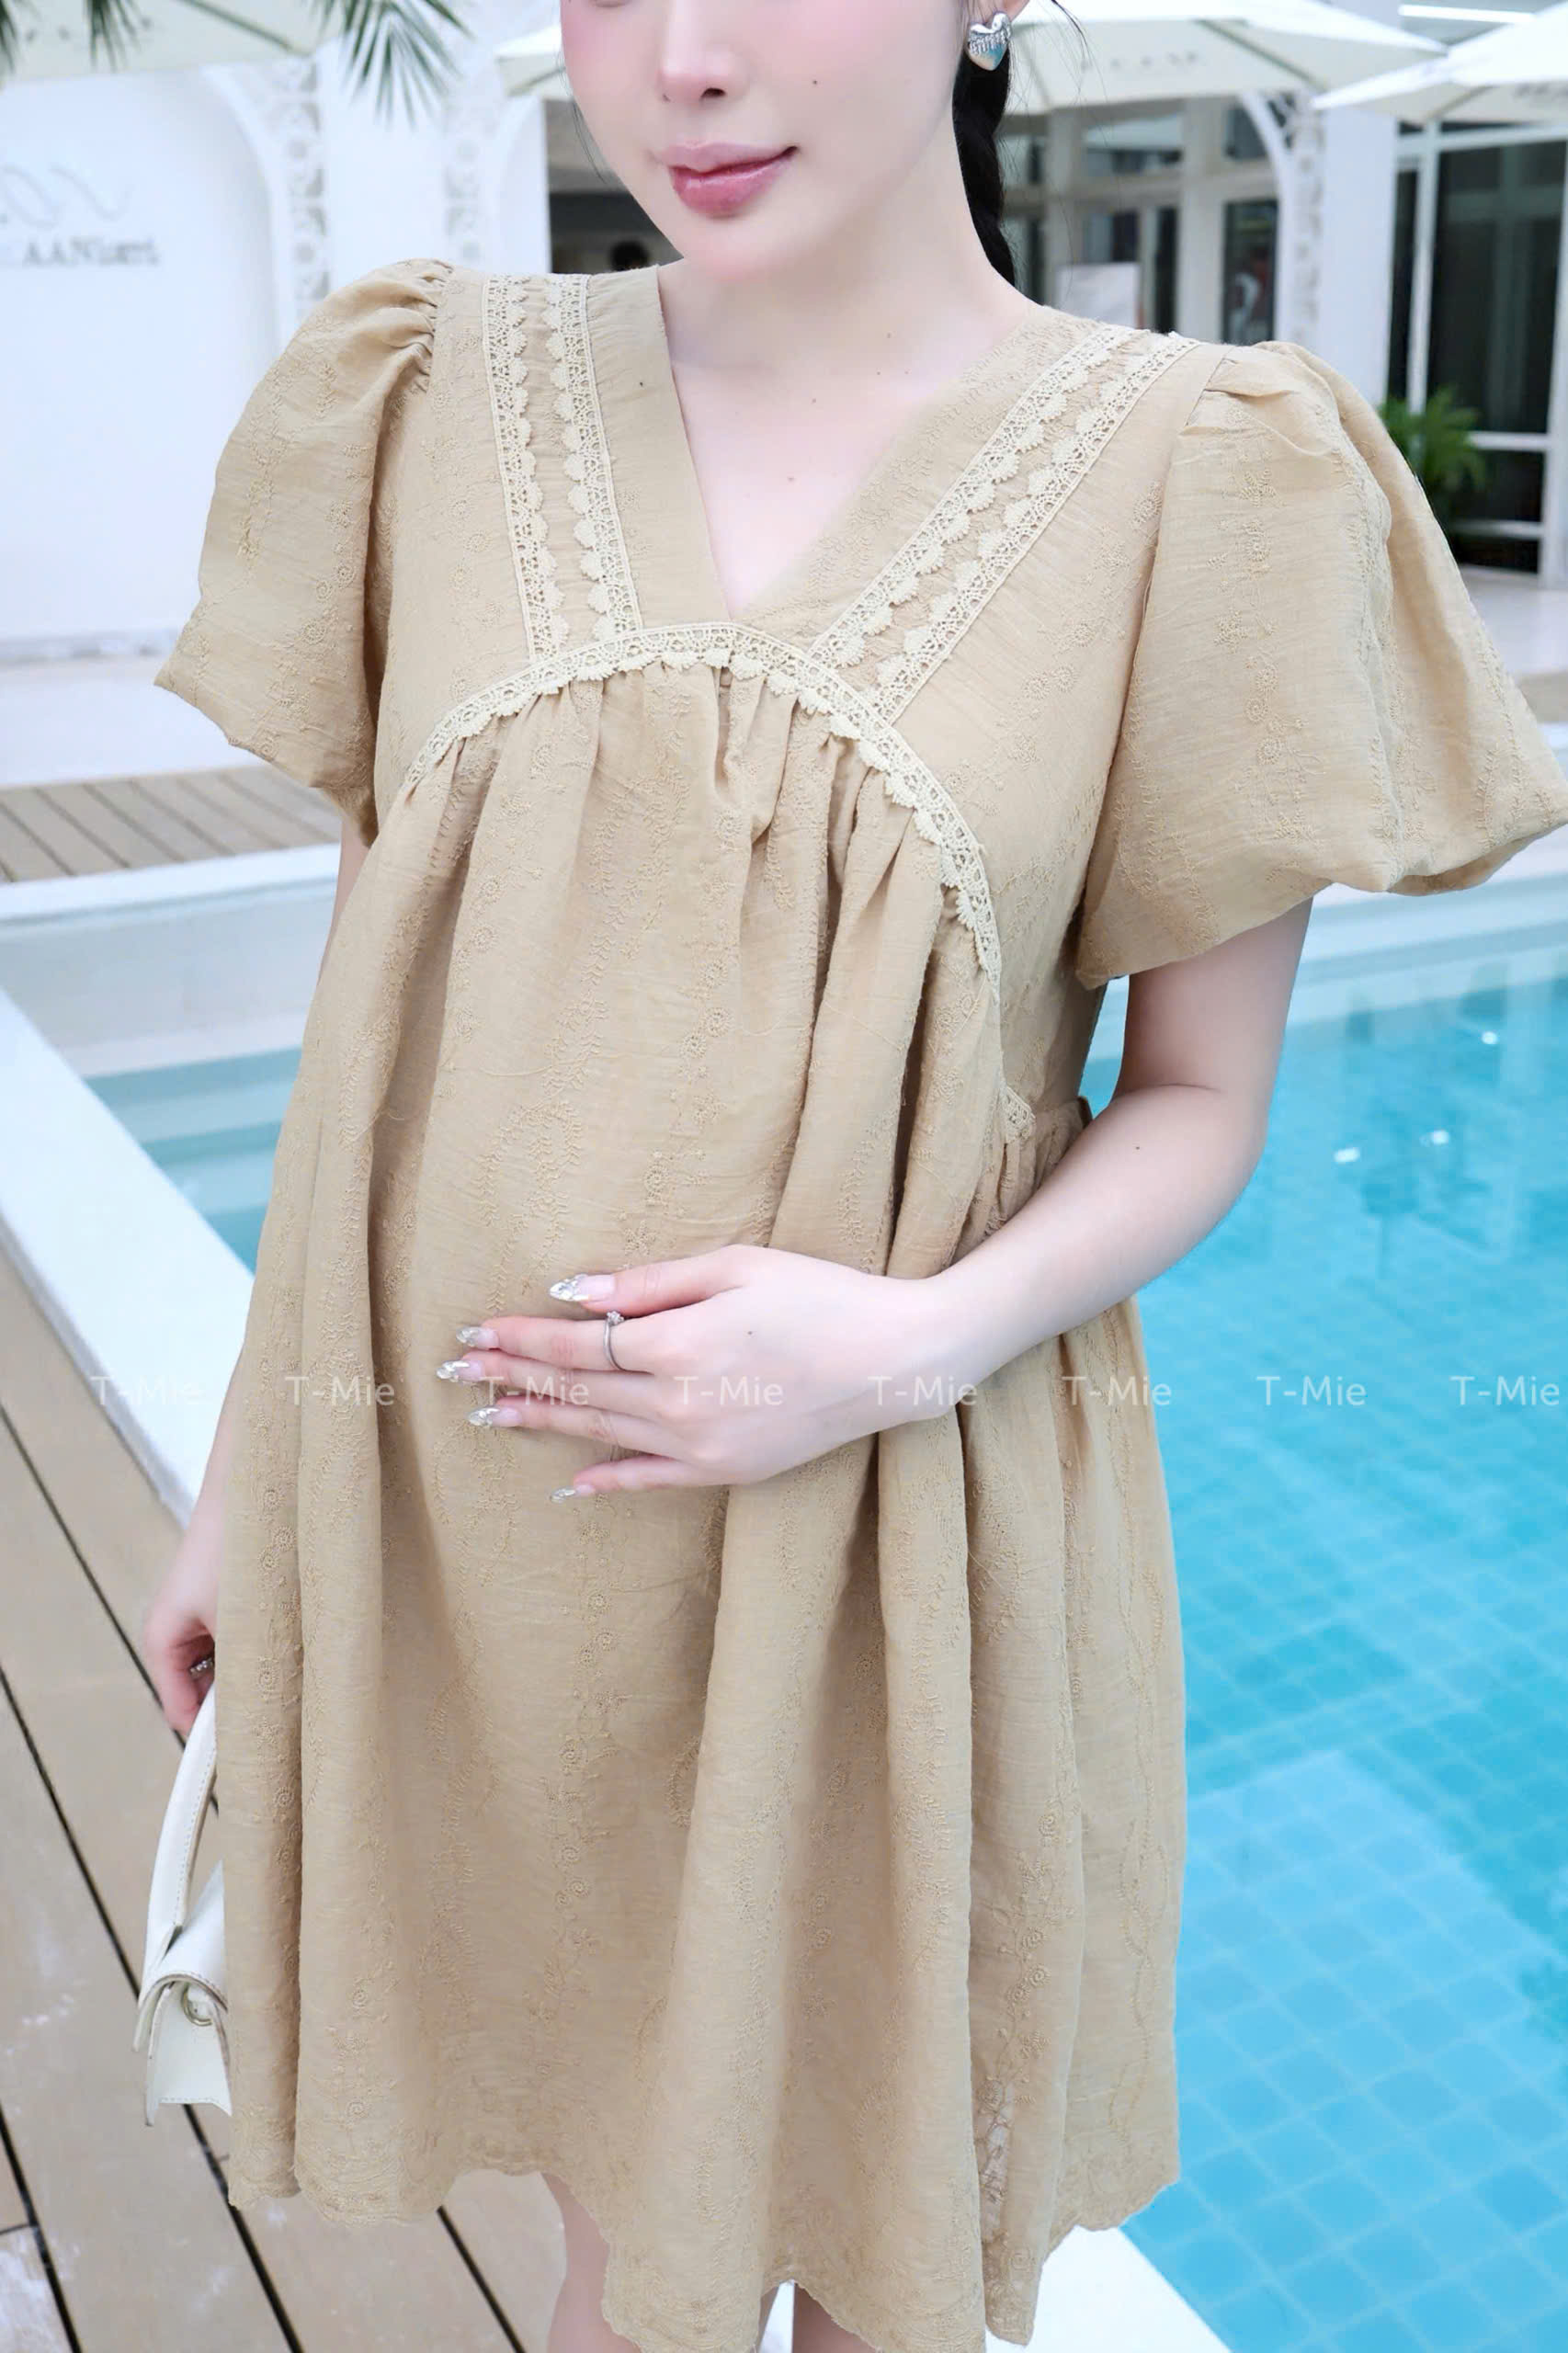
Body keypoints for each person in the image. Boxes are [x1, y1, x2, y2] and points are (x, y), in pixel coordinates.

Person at [139, 0, 1568, 2347]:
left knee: (890, 2269)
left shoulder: (1201, 475)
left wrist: (894, 1346)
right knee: (624, 2251)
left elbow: (1197, 1097)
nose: (686, 62)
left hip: (899, 1517)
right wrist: (249, 1474)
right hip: (492, 1533)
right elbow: (375, 1005)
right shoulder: (420, 396)